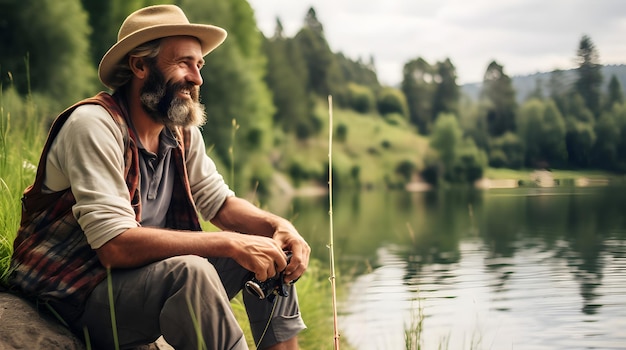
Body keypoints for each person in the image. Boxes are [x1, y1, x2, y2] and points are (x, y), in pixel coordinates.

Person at [7, 4, 309, 350]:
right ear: (139, 65)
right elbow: (114, 246)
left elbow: (220, 203)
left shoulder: (181, 132)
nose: (197, 78)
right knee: (191, 272)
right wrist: (228, 242)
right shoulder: (93, 125)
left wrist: (277, 227)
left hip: (141, 285)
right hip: (74, 294)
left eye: (199, 65)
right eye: (183, 63)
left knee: (273, 251)